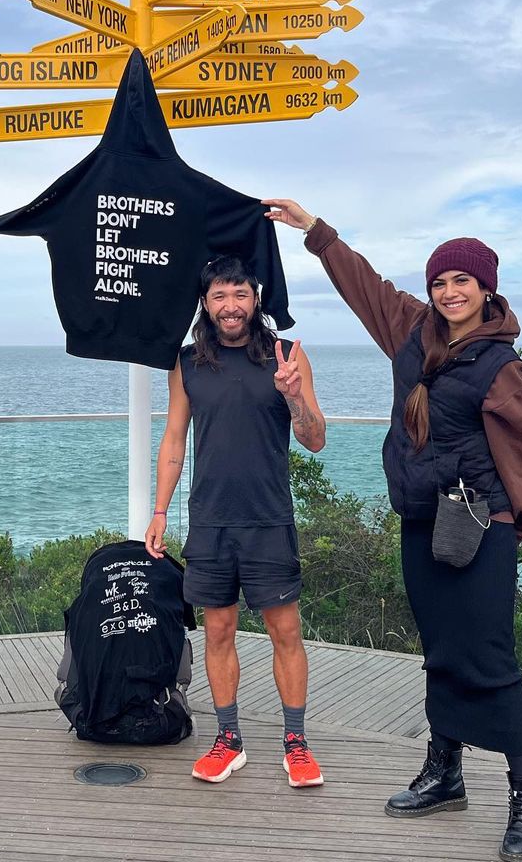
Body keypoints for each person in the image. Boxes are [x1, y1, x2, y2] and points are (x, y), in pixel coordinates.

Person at [264, 200, 522, 862]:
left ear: (486, 289)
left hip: (480, 527)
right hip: (422, 520)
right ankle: (445, 771)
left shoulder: (499, 366)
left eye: (462, 281)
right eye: (440, 282)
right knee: (440, 650)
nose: (449, 292)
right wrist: (315, 232)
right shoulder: (414, 331)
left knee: (491, 661)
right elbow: (364, 286)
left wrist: (513, 525)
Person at [144, 255, 326, 788]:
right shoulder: (185, 363)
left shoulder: (286, 355)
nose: (231, 306)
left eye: (240, 294)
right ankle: (229, 739)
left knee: (285, 631)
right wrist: (159, 511)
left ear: (256, 298)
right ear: (205, 302)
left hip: (269, 519)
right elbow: (174, 440)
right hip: (210, 522)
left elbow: (315, 438)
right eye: (220, 296)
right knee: (218, 630)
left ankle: (296, 742)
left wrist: (294, 395)